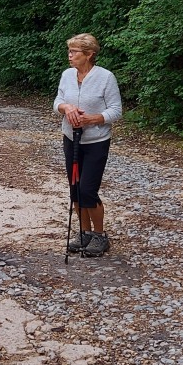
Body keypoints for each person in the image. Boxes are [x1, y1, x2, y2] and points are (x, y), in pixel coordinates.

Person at [53, 33, 122, 258]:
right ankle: (84, 233)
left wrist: (91, 119)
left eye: (74, 52)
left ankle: (100, 236)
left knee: (87, 190)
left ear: (89, 55)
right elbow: (57, 101)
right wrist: (66, 108)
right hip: (71, 138)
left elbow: (116, 110)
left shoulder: (105, 77)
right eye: (69, 51)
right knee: (75, 188)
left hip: (96, 141)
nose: (69, 55)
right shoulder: (67, 75)